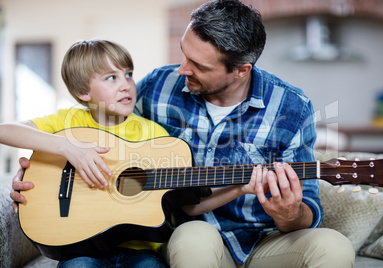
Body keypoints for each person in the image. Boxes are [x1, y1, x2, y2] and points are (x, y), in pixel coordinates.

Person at [11, 0, 356, 267]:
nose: (182, 69)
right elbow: (101, 129)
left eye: (199, 66)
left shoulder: (292, 108)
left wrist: (288, 211)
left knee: (334, 247)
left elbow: (307, 208)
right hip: (193, 230)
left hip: (266, 239)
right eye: (183, 53)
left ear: (240, 71)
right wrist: (46, 165)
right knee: (194, 239)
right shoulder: (158, 87)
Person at [2, 39, 169, 267]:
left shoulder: (155, 134)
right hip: (79, 245)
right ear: (83, 92)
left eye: (128, 74)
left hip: (140, 248)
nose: (126, 85)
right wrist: (68, 147)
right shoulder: (68, 123)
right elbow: (5, 131)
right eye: (112, 77)